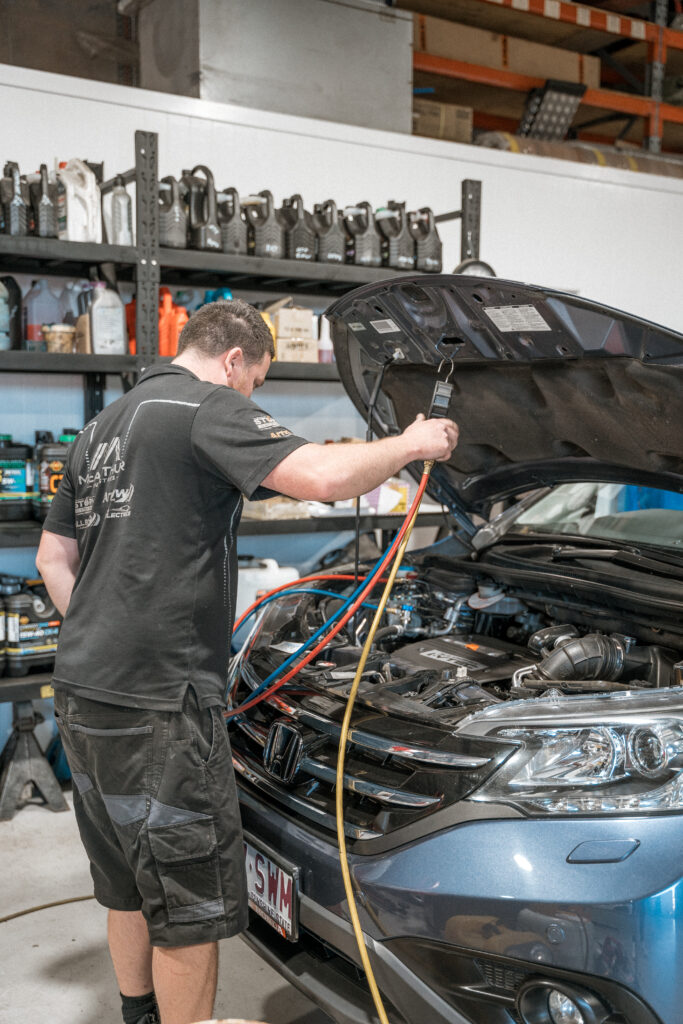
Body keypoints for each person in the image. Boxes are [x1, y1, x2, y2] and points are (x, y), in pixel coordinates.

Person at [36, 299, 459, 1024]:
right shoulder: (204, 407)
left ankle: (139, 1014)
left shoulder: (101, 429)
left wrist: (105, 631)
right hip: (158, 705)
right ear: (234, 360)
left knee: (130, 884)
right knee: (188, 905)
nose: (251, 399)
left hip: (82, 689)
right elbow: (324, 477)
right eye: (256, 383)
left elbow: (53, 556)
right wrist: (413, 442)